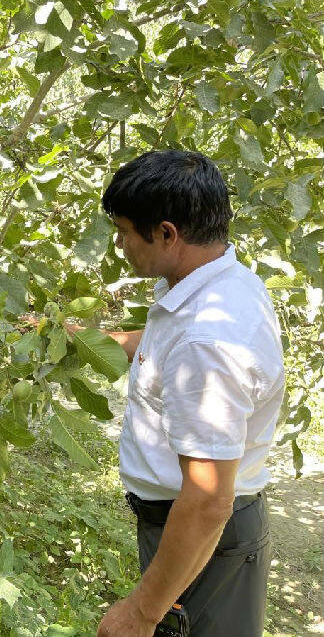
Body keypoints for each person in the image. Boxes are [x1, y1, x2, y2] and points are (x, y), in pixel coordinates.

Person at [73, 150, 284, 637]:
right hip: (190, 530)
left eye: (125, 231)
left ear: (167, 233)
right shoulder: (216, 284)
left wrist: (141, 612)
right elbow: (157, 349)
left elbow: (209, 501)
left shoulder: (206, 342)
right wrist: (74, 337)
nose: (121, 244)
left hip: (203, 534)